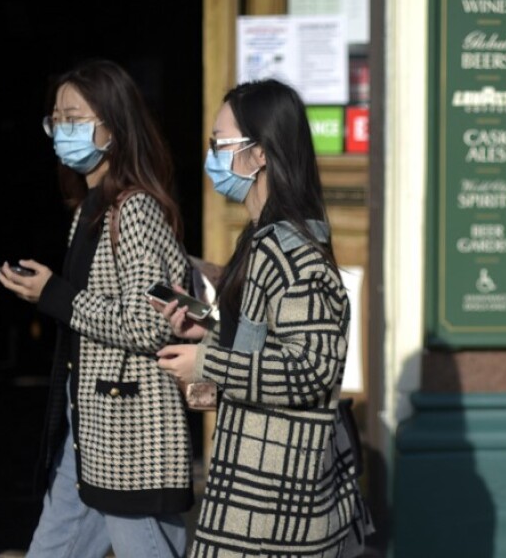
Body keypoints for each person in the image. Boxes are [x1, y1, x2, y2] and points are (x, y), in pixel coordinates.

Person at [154, 79, 370, 557]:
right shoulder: (259, 240)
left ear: (261, 154)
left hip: (276, 504)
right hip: (254, 490)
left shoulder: (291, 252)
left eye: (221, 143)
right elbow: (261, 355)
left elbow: (310, 369)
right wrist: (206, 334)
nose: (211, 155)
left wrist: (207, 362)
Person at [0, 59, 193, 557]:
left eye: (77, 119)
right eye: (57, 120)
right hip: (89, 422)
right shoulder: (88, 208)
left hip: (130, 432)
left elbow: (148, 322)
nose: (64, 130)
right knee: (51, 548)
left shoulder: (135, 209)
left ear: (115, 126)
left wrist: (54, 295)